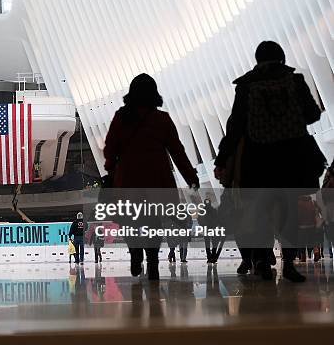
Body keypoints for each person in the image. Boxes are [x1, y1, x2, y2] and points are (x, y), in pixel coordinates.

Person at [214, 41, 324, 282]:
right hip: (291, 158)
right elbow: (313, 114)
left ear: (257, 59)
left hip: (258, 160)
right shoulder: (294, 80)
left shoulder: (246, 85)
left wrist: (223, 159)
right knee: (289, 211)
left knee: (260, 211)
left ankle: (262, 261)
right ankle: (289, 265)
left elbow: (235, 126)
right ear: (281, 57)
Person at [103, 73, 199, 281]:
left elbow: (110, 148)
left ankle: (135, 254)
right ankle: (153, 263)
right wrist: (190, 176)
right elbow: (177, 151)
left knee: (129, 221)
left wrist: (111, 167)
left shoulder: (121, 117)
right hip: (157, 181)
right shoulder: (161, 119)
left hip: (128, 182)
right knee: (153, 222)